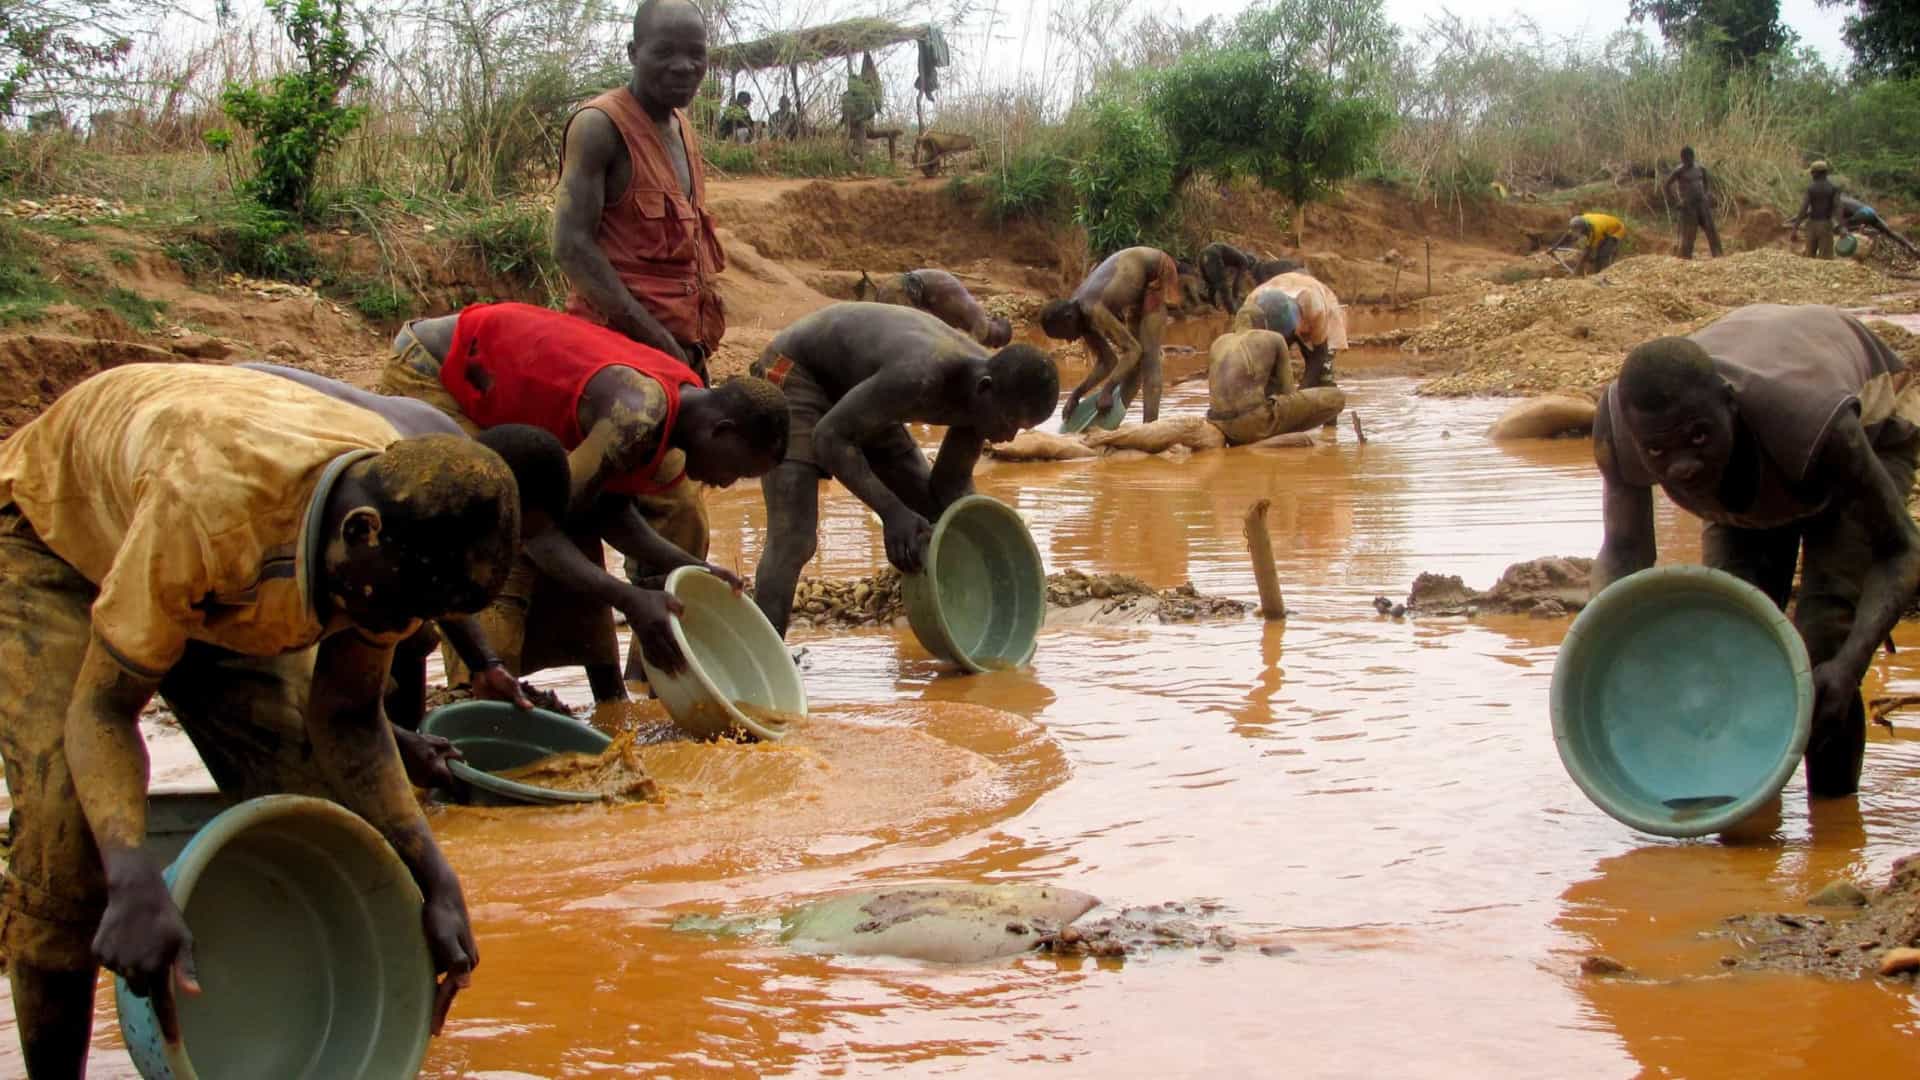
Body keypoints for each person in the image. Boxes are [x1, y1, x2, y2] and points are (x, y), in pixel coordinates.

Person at [0, 364, 526, 1075]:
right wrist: (129, 874)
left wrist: (433, 874)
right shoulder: (212, 508)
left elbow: (348, 718)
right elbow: (103, 709)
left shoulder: (391, 546)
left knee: (327, 828)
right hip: (56, 538)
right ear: (360, 531)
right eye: (398, 610)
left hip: (212, 571)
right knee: (68, 841)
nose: (400, 629)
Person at [1591, 304, 1920, 799]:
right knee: (1731, 642)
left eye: (1698, 437)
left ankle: (1833, 815)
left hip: (1871, 435)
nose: (1682, 468)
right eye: (1658, 452)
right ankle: (1742, 809)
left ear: (1730, 403)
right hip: (1765, 454)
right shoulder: (1620, 433)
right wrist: (1604, 654)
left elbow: (1902, 550)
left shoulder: (1813, 421)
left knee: (1824, 645)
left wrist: (1851, 663)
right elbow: (1623, 552)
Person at [378, 302, 789, 696]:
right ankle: (476, 694)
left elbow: (607, 507)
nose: (727, 483)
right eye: (737, 469)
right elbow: (534, 531)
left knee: (569, 519)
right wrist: (628, 598)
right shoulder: (636, 417)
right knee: (486, 526)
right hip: (437, 368)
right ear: (721, 430)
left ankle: (603, 697)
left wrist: (691, 567)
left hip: (499, 371)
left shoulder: (683, 405)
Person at [240, 362, 571, 767]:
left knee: (409, 630)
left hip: (284, 428)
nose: (508, 548)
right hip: (247, 440)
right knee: (280, 706)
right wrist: (388, 738)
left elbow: (428, 590)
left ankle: (401, 739)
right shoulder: (411, 480)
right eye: (511, 534)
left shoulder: (452, 461)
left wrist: (484, 663)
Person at [750, 303, 1060, 636]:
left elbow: (951, 485)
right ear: (984, 389)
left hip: (868, 392)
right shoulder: (920, 376)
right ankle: (764, 657)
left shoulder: (988, 395)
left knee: (934, 519)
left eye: (1021, 429)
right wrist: (892, 513)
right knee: (794, 537)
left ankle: (947, 629)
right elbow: (828, 438)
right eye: (1010, 422)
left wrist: (989, 542)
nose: (1009, 437)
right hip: (798, 372)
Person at [554, 0, 725, 386]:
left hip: (679, 351)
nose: (683, 66)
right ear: (633, 53)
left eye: (696, 53)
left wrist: (684, 351)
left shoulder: (681, 126)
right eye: (664, 52)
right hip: (613, 353)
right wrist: (661, 343)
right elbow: (571, 247)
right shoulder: (598, 126)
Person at [1040, 246, 1181, 425]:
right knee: (1134, 366)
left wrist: (1108, 389)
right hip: (1136, 280)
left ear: (1069, 319)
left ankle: (1151, 426)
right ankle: (1113, 421)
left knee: (1148, 356)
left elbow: (1133, 350)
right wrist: (1076, 395)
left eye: (1064, 335)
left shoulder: (1093, 309)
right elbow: (1107, 362)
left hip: (1157, 270)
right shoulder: (1080, 318)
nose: (1068, 341)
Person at [1204, 329, 1347, 444]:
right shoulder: (1274, 338)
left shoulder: (1219, 342)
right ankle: (1274, 441)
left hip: (1218, 423)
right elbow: (1288, 392)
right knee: (1336, 397)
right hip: (1254, 424)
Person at [1231, 271, 1348, 388]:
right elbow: (1243, 351)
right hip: (1280, 295)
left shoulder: (1315, 306)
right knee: (1268, 370)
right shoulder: (1252, 305)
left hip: (1320, 306)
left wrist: (1302, 391)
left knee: (1323, 376)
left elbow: (1319, 353)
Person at [856, 268, 1012, 347]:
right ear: (993, 319)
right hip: (901, 290)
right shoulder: (979, 316)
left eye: (996, 345)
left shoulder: (958, 319)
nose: (992, 343)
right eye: (998, 337)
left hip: (898, 290)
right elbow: (971, 346)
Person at [1663, 146, 1722, 259]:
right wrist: (1675, 202)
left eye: (1690, 158)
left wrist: (1706, 194)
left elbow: (1706, 182)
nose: (1688, 160)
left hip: (1702, 203)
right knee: (1689, 233)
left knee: (1711, 229)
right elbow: (1666, 185)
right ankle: (1685, 257)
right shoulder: (1679, 171)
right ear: (1682, 158)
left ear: (1693, 157)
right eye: (1685, 159)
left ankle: (1718, 254)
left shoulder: (1700, 168)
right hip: (1688, 205)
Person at [1787, 161, 1841, 260]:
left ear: (1817, 173)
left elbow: (1803, 209)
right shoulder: (1833, 188)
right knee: (1825, 259)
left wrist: (1795, 228)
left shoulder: (1811, 189)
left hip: (1811, 225)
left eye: (1812, 173)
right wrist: (1842, 227)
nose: (1811, 175)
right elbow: (1838, 208)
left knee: (1809, 258)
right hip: (1825, 225)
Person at [1838, 194, 1920, 260]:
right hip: (1870, 211)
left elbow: (1842, 220)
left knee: (1838, 229)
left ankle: (1867, 231)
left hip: (1862, 214)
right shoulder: (1844, 198)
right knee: (1890, 232)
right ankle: (1914, 249)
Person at [1550, 213, 1627, 276]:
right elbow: (1567, 235)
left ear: (1583, 228)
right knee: (1594, 252)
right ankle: (1594, 265)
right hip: (1605, 226)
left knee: (1602, 254)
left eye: (1577, 231)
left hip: (1617, 230)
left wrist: (1576, 270)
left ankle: (1600, 273)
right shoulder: (1579, 223)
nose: (1575, 233)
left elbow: (1587, 249)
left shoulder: (1595, 230)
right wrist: (1554, 248)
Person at [1197, 242, 1260, 313]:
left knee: (1211, 283)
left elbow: (1224, 272)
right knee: (1223, 286)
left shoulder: (1235, 256)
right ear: (1251, 263)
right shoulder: (1244, 261)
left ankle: (1211, 305)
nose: (1247, 271)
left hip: (1202, 255)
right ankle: (1232, 313)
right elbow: (1237, 281)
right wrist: (1235, 296)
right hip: (1213, 254)